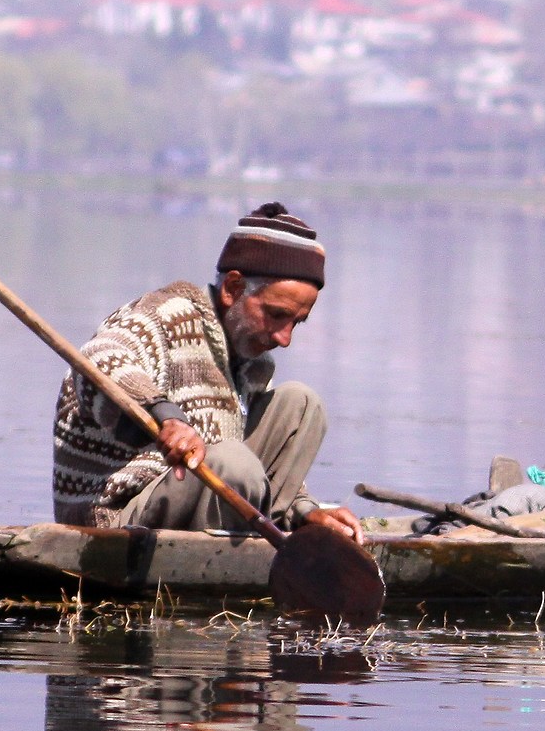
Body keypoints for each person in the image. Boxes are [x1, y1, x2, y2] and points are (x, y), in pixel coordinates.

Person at [51, 203, 362, 542]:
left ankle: (273, 528)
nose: (284, 339)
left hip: (203, 496)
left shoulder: (254, 363)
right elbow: (98, 359)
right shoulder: (164, 316)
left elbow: (264, 466)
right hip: (116, 517)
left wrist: (305, 510)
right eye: (276, 315)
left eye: (296, 323)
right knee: (233, 463)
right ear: (233, 289)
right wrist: (166, 417)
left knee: (302, 406)